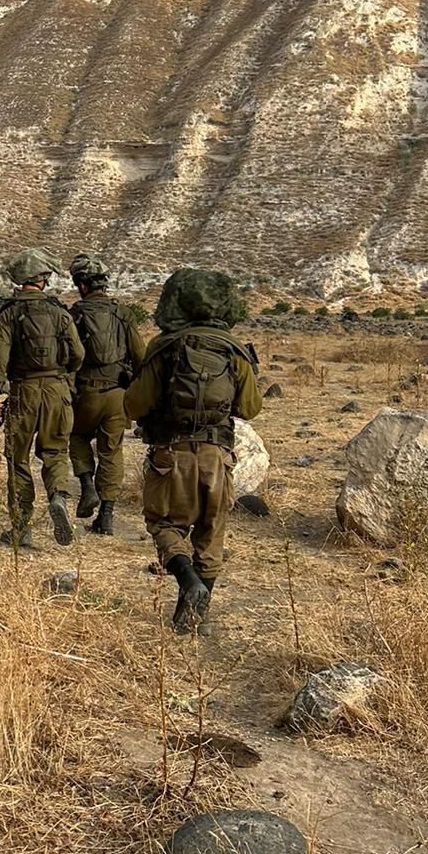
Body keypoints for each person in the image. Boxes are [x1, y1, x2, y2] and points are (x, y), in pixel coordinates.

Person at [123, 268, 262, 634]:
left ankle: (187, 581)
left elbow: (135, 405)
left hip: (171, 453)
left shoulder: (165, 346)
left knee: (165, 524)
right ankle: (196, 618)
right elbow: (249, 408)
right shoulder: (234, 351)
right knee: (211, 533)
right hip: (218, 456)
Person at [0, 248, 85, 549]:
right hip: (57, 391)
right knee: (55, 452)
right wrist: (63, 376)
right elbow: (78, 354)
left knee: (17, 460)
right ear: (43, 279)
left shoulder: (9, 313)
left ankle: (21, 528)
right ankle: (58, 496)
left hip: (22, 391)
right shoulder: (60, 313)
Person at [68, 254, 146, 536]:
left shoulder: (75, 313)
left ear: (82, 285)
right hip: (117, 395)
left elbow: (68, 357)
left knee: (76, 438)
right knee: (111, 452)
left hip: (85, 394)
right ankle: (107, 516)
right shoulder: (122, 313)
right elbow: (140, 356)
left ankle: (87, 486)